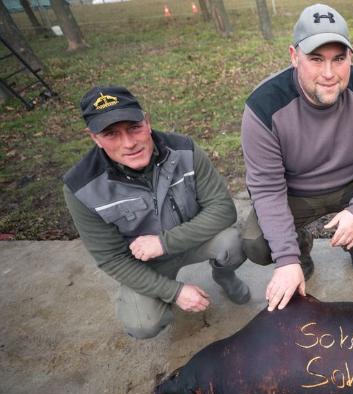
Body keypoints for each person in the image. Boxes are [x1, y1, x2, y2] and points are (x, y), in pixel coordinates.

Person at [241, 3, 353, 312]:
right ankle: (301, 249)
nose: (328, 73)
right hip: (296, 194)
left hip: (351, 183)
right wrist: (286, 259)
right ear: (294, 56)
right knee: (256, 243)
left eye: (339, 59)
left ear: (351, 56)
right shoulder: (263, 106)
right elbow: (267, 188)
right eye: (315, 59)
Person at [63, 85, 250, 339]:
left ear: (147, 122)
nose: (129, 143)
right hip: (147, 265)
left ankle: (224, 275)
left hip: (193, 240)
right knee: (142, 324)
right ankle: (165, 304)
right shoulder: (81, 188)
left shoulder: (184, 149)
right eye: (111, 134)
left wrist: (164, 242)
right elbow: (112, 260)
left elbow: (224, 210)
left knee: (238, 241)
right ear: (94, 138)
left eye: (134, 128)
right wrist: (175, 292)